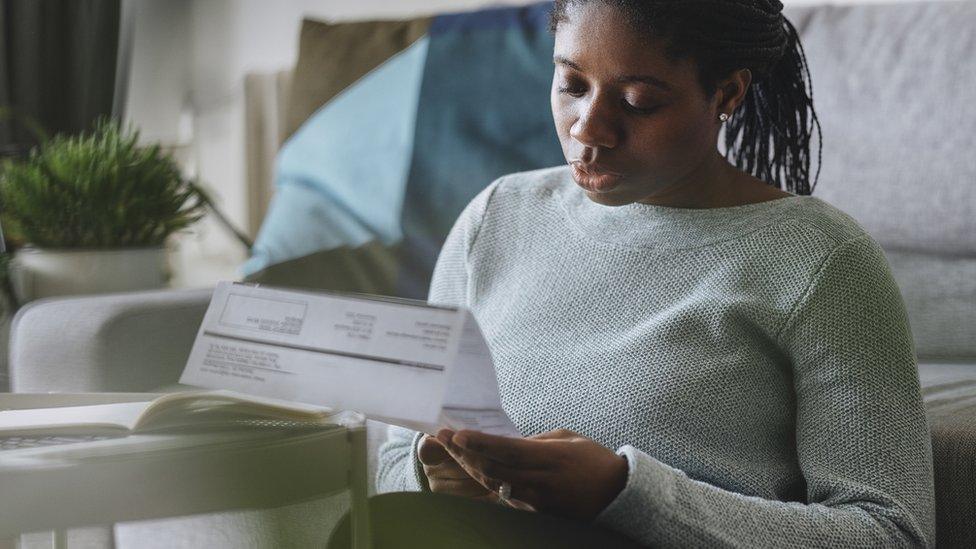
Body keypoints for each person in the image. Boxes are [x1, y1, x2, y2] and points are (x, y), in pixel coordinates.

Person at [371, 0, 935, 547]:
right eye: (572, 86)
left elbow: (890, 530)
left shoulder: (821, 260)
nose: (589, 129)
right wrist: (433, 478)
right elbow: (397, 453)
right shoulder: (496, 216)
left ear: (728, 92)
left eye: (638, 102)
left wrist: (624, 494)